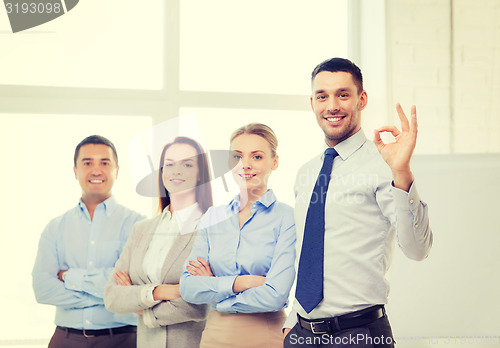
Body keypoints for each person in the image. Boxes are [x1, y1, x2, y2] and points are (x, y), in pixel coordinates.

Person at [283, 58, 434, 348]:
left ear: (361, 99)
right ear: (312, 102)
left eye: (343, 94)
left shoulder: (383, 164)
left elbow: (417, 249)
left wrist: (401, 172)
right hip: (301, 334)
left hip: (359, 334)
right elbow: (307, 252)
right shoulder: (306, 173)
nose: (332, 106)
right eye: (322, 96)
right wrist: (292, 324)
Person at [179, 123, 296, 348]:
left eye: (257, 157)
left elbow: (275, 295)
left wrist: (215, 291)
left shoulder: (287, 218)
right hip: (214, 336)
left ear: (275, 161)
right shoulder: (213, 217)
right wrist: (242, 282)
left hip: (265, 336)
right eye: (237, 156)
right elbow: (188, 287)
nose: (246, 165)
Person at [32, 135, 145, 348]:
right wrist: (113, 296)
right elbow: (42, 288)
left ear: (117, 171)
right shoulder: (55, 228)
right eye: (87, 163)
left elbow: (137, 287)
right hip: (65, 340)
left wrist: (69, 277)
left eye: (104, 163)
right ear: (75, 171)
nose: (96, 170)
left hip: (123, 340)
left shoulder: (138, 226)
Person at [104, 137, 212, 347]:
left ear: (200, 174)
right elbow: (112, 295)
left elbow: (199, 305)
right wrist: (159, 292)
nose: (176, 171)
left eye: (187, 164)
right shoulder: (141, 230)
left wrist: (140, 304)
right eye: (169, 164)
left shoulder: (210, 229)